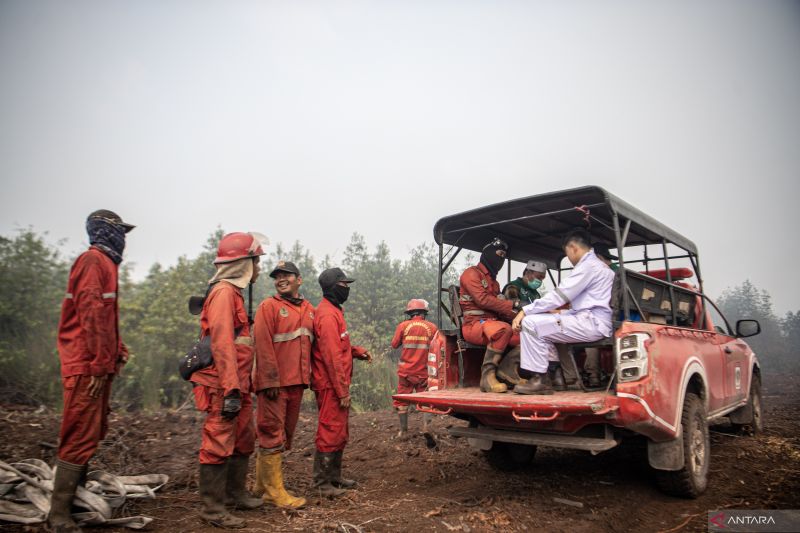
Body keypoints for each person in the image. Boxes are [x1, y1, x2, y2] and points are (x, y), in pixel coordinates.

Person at [49, 210, 134, 533]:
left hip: (95, 363)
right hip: (86, 365)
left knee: (91, 431)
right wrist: (100, 363)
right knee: (79, 433)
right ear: (105, 232)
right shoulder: (93, 261)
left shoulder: (105, 264)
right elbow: (90, 313)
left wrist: (117, 350)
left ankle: (73, 501)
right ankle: (59, 515)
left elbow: (103, 316)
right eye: (120, 232)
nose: (123, 239)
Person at [191, 232, 265, 528]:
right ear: (243, 264)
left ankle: (235, 494)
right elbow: (222, 343)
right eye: (256, 262)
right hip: (224, 384)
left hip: (239, 383)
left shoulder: (234, 293)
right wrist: (231, 388)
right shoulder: (223, 293)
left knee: (243, 438)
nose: (259, 268)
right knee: (218, 439)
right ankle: (212, 509)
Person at [512, 229, 614, 395]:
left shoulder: (588, 266)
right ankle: (557, 376)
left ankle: (540, 379)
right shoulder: (600, 266)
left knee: (530, 323)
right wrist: (554, 313)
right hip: (591, 318)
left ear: (573, 247)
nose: (569, 258)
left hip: (591, 323)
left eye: (567, 253)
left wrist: (525, 311)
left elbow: (559, 296)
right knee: (545, 321)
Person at [252, 260, 311, 509]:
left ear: (299, 279)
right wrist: (268, 380)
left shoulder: (308, 309)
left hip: (297, 383)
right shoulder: (268, 307)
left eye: (286, 275)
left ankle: (259, 487)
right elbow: (263, 345)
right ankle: (274, 493)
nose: (281, 279)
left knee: (284, 435)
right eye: (277, 276)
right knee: (271, 432)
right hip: (275, 385)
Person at [311, 267, 372, 496]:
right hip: (329, 385)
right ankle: (322, 484)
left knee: (339, 430)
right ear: (333, 287)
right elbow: (331, 356)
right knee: (330, 429)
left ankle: (334, 477)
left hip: (334, 384)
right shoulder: (327, 315)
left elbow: (340, 346)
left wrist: (357, 351)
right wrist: (342, 391)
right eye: (344, 284)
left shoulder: (335, 311)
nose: (347, 288)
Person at [459, 238, 521, 393]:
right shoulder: (471, 274)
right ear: (488, 254)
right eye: (499, 254)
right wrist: (513, 305)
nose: (501, 259)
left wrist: (520, 317)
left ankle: (508, 371)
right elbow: (483, 300)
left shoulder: (494, 282)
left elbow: (500, 307)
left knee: (528, 336)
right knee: (503, 330)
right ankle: (487, 377)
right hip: (473, 325)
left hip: (491, 324)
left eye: (504, 256)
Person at [390, 299, 439, 437]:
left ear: (410, 313)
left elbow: (394, 345)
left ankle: (403, 432)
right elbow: (437, 349)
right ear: (424, 313)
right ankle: (426, 428)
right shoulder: (432, 327)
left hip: (405, 372)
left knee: (402, 401)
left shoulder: (403, 326)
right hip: (423, 372)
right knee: (426, 400)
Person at [583, 242, 618, 387]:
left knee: (587, 331)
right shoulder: (618, 271)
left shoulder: (603, 273)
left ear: (597, 257)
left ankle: (593, 375)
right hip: (617, 316)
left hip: (610, 317)